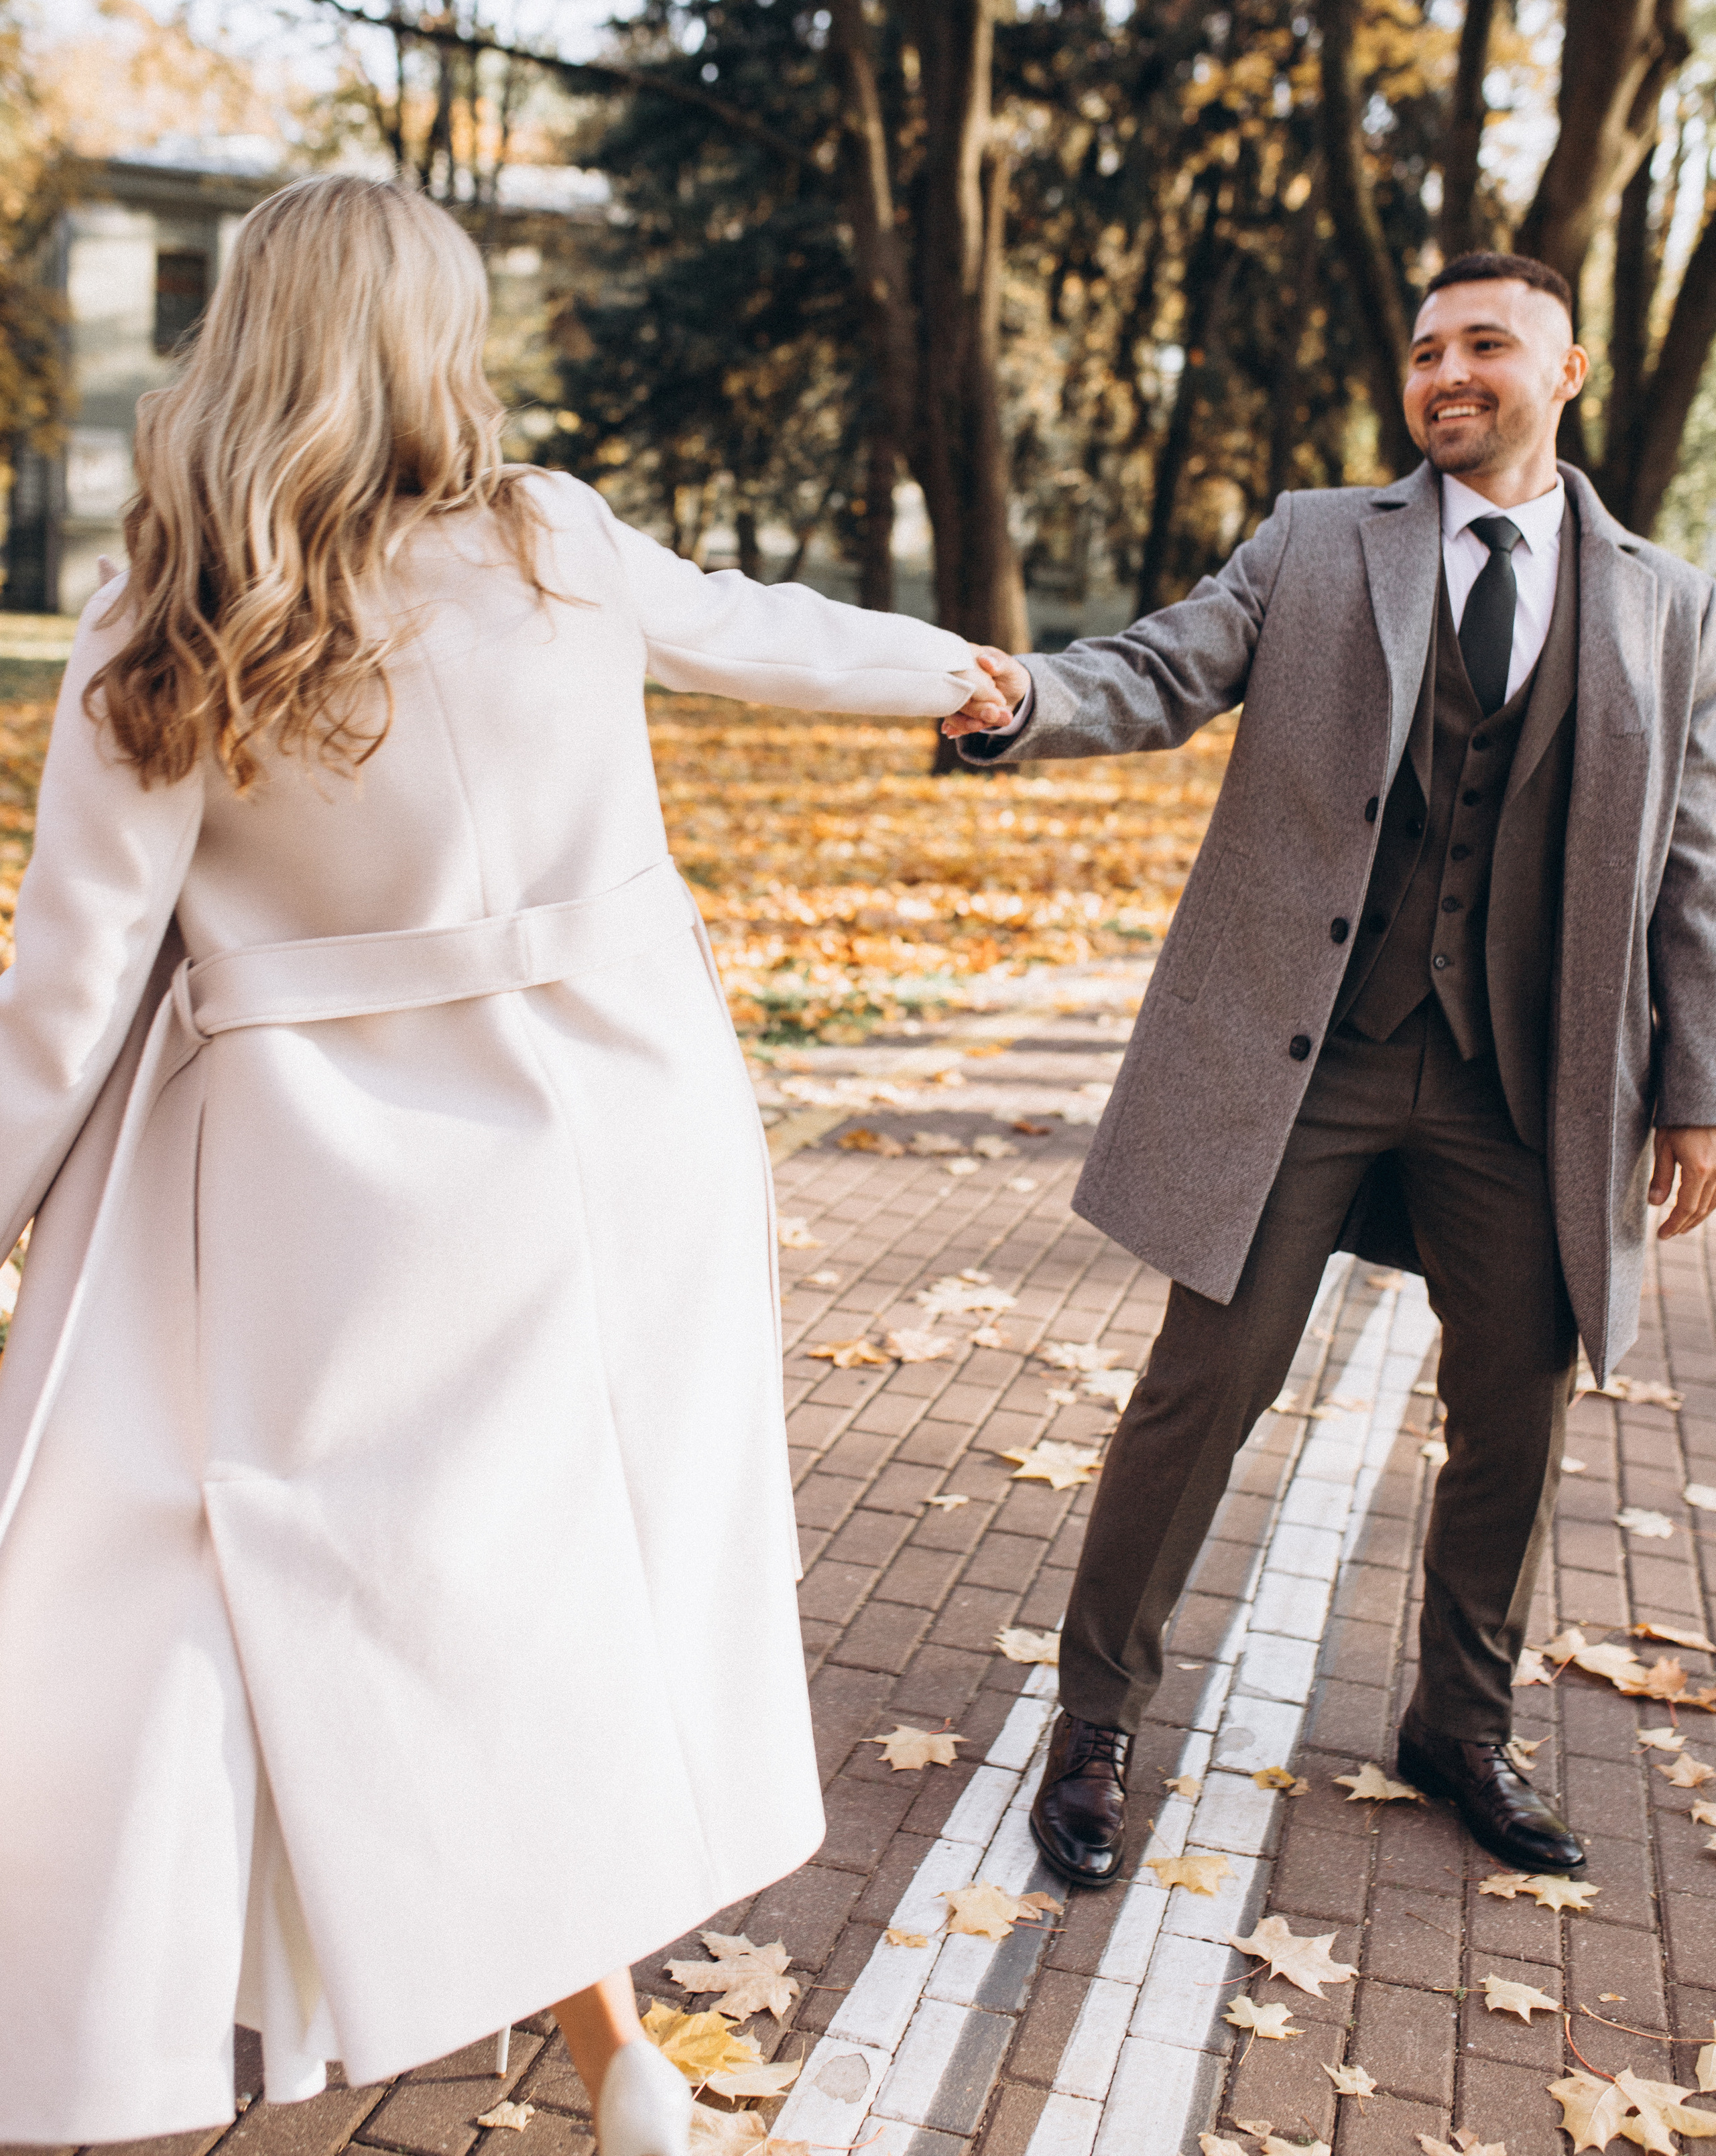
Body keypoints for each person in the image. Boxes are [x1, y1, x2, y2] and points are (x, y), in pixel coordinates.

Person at [0, 176, 1009, 2149]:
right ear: (430, 339)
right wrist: (946, 667)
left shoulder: (180, 607)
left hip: (325, 1194)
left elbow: (70, 986)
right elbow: (761, 635)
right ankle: (609, 2038)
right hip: (621, 1141)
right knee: (562, 1584)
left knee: (278, 1587)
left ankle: (182, 1993)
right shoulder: (550, 539)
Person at [942, 250, 1716, 1883]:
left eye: (1483, 346)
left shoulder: (1665, 598)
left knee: (1512, 1415)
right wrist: (1027, 698)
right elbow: (1161, 666)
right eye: (1425, 351)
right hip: (1307, 1059)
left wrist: (1695, 1086)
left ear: (1562, 374)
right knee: (1201, 1388)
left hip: (1525, 1082)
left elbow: (1691, 861)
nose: (1444, 374)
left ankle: (1456, 1725)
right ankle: (1096, 1718)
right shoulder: (1312, 541)